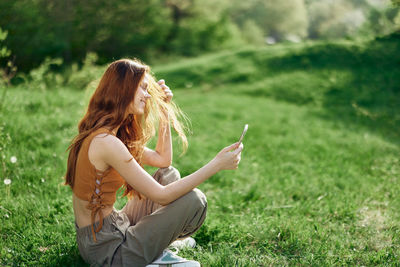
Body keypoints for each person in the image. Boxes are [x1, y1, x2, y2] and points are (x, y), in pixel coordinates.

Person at [64, 59, 244, 267]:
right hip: (109, 252)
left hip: (115, 227)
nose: (148, 95)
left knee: (168, 174)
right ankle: (156, 256)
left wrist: (164, 111)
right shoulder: (106, 142)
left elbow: (162, 160)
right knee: (194, 200)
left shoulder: (109, 134)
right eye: (142, 88)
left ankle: (156, 248)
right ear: (124, 90)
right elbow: (161, 196)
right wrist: (217, 164)